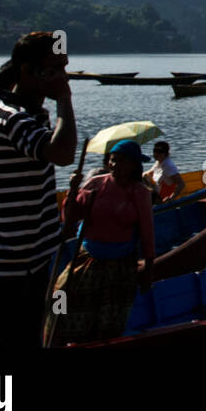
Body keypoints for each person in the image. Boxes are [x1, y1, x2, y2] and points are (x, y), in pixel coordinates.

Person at [0, 31, 77, 348]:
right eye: (54, 68)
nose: (63, 76)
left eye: (65, 67)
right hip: (8, 276)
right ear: (26, 71)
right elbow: (62, 154)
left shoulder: (31, 116)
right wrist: (65, 100)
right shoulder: (12, 119)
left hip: (30, 267)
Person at [45, 139, 155, 346]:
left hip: (120, 264)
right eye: (112, 161)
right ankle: (56, 340)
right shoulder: (95, 185)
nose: (115, 165)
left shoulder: (139, 193)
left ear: (133, 165)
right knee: (60, 294)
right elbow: (70, 218)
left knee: (108, 319)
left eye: (121, 161)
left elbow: (147, 232)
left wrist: (149, 268)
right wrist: (72, 190)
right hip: (88, 258)